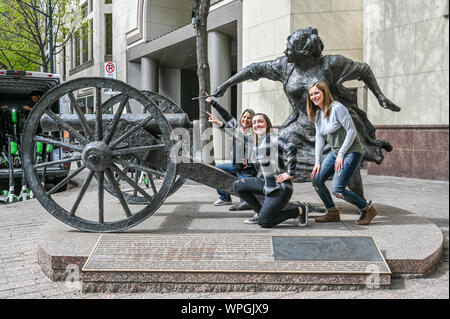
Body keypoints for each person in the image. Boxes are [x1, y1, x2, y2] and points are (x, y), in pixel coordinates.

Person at [212, 27, 401, 197]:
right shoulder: (285, 66)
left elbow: (364, 70)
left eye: (290, 48)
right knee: (275, 152)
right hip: (299, 125)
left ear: (304, 51)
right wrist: (227, 84)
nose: (286, 51)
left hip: (331, 123)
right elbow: (255, 69)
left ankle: (360, 202)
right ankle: (268, 197)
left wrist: (380, 96)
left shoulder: (330, 64)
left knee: (347, 166)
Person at [308, 81, 377, 225]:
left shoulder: (337, 108)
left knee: (338, 189)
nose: (314, 96)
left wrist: (341, 155)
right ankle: (332, 212)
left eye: (316, 93)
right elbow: (319, 138)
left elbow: (351, 131)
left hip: (351, 151)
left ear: (324, 93)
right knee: (316, 179)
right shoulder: (318, 114)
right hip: (335, 152)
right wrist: (317, 162)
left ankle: (367, 209)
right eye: (311, 94)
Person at [233, 113, 309, 227]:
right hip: (265, 184)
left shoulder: (272, 137)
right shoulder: (258, 143)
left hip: (279, 188)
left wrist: (290, 173)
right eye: (254, 122)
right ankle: (260, 212)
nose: (257, 125)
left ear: (267, 124)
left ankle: (299, 210)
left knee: (264, 222)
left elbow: (291, 147)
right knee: (238, 185)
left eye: (260, 121)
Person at [205, 94, 257, 210]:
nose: (245, 120)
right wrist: (213, 102)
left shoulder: (253, 132)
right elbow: (226, 115)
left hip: (247, 171)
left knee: (246, 203)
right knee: (217, 170)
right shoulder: (236, 127)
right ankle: (225, 197)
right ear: (241, 117)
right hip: (235, 166)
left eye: (249, 118)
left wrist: (249, 160)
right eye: (244, 117)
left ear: (252, 121)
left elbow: (254, 149)